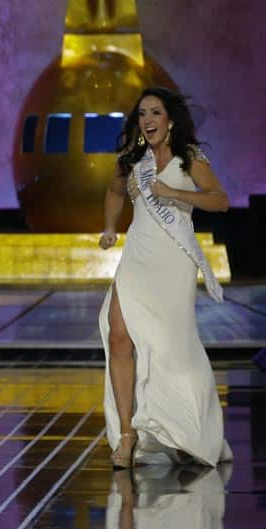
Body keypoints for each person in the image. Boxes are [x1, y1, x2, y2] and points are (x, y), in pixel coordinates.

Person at [98, 86, 233, 469]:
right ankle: (127, 435)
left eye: (155, 113)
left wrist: (173, 192)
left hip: (173, 260)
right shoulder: (132, 159)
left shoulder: (190, 158)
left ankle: (185, 426)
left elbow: (220, 200)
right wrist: (110, 226)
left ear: (170, 120)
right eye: (142, 114)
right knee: (118, 333)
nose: (148, 120)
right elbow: (113, 191)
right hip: (138, 255)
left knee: (171, 349)